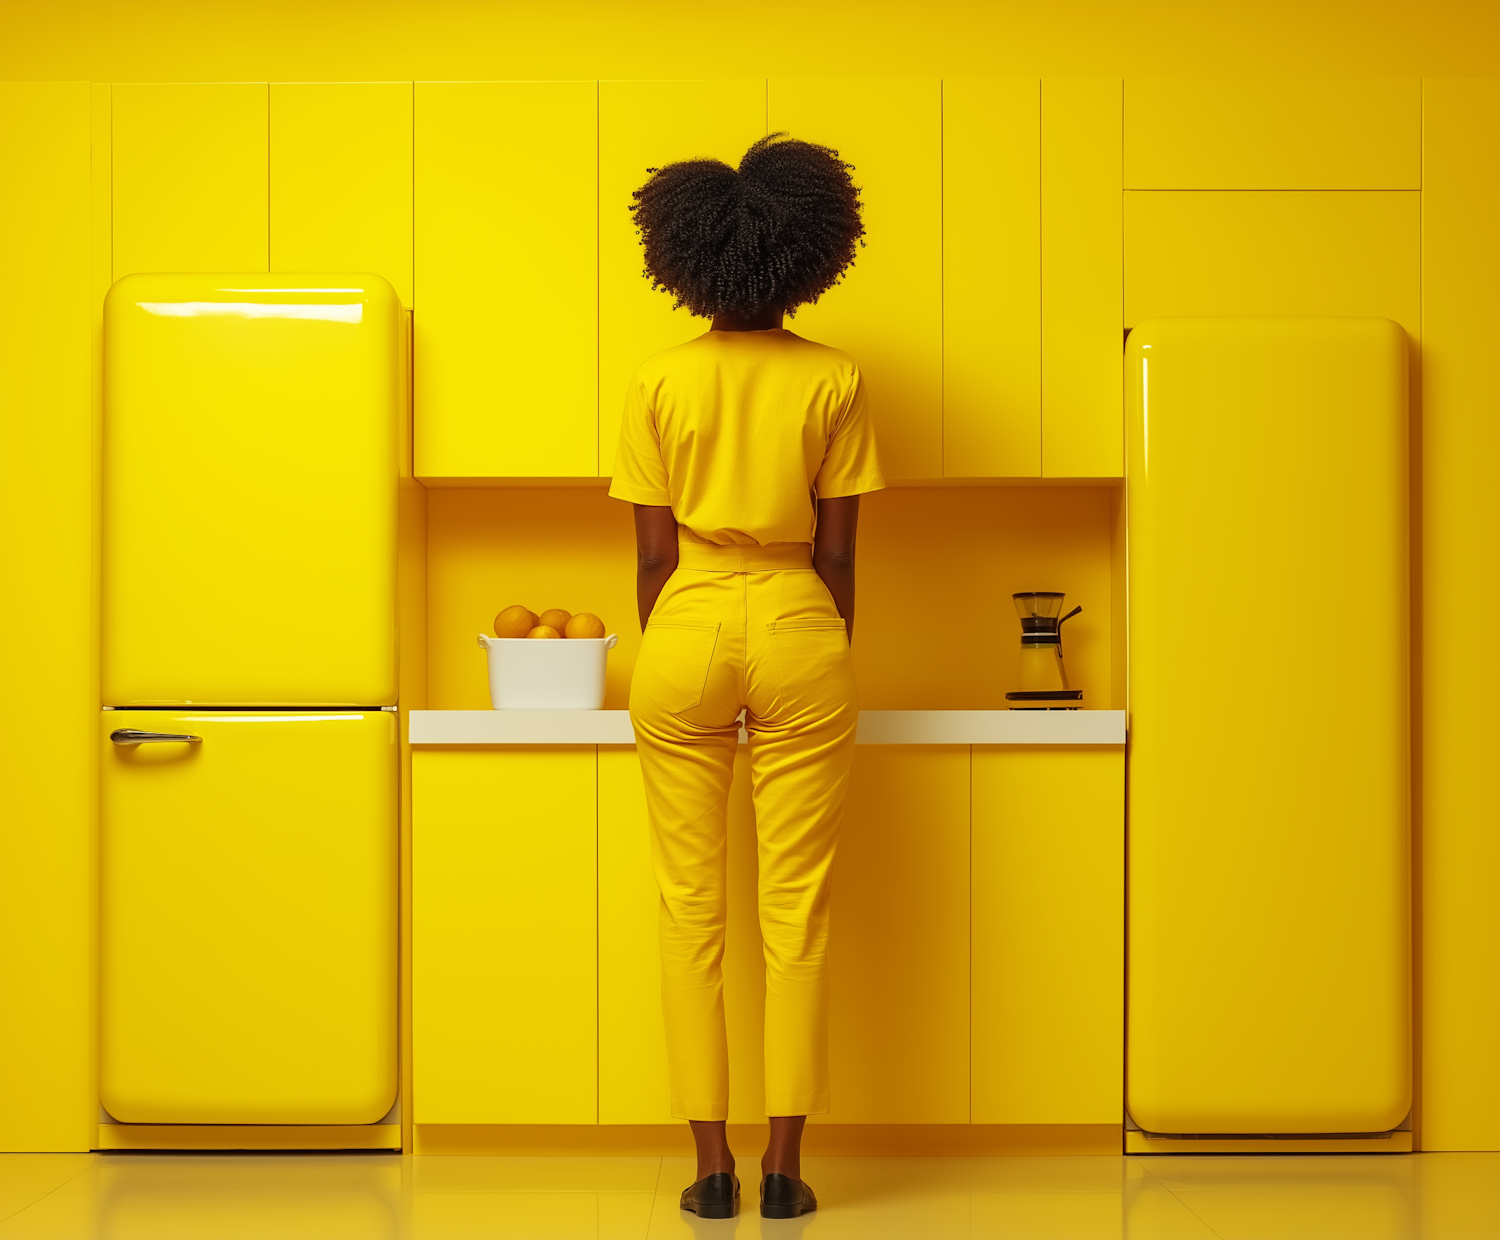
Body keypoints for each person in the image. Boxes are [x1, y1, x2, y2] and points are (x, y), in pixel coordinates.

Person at [608, 133, 883, 1221]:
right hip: (798, 620)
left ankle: (708, 1165)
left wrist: (681, 634)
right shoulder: (836, 379)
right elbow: (843, 551)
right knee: (796, 913)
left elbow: (648, 556)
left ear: (684, 258)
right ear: (811, 254)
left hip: (686, 624)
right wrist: (817, 642)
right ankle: (787, 1167)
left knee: (690, 910)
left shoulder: (658, 378)